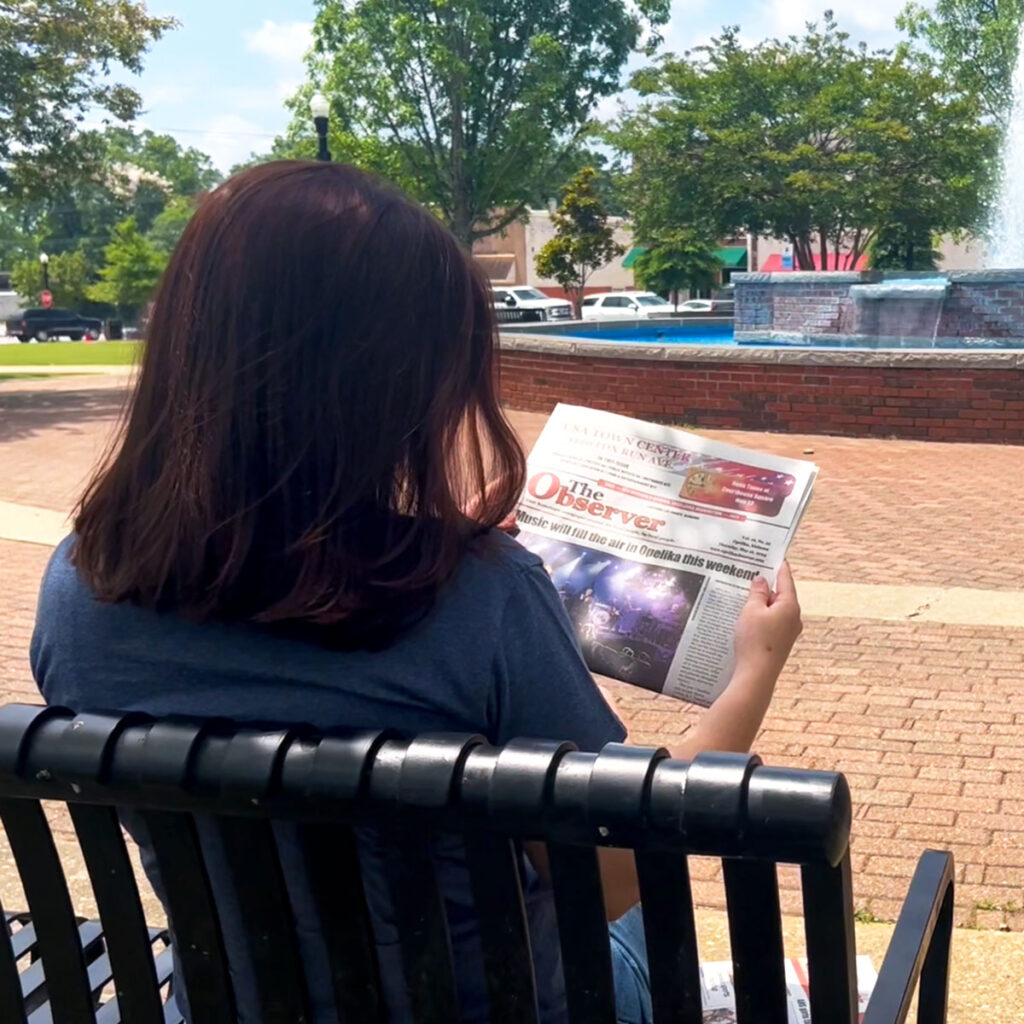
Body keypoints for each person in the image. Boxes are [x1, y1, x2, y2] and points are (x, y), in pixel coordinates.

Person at [29, 160, 803, 1024]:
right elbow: (612, 873)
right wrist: (752, 673)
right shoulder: (485, 600)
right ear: (392, 391)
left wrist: (438, 555)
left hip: (237, 1002)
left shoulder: (78, 586)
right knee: (640, 943)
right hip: (501, 1007)